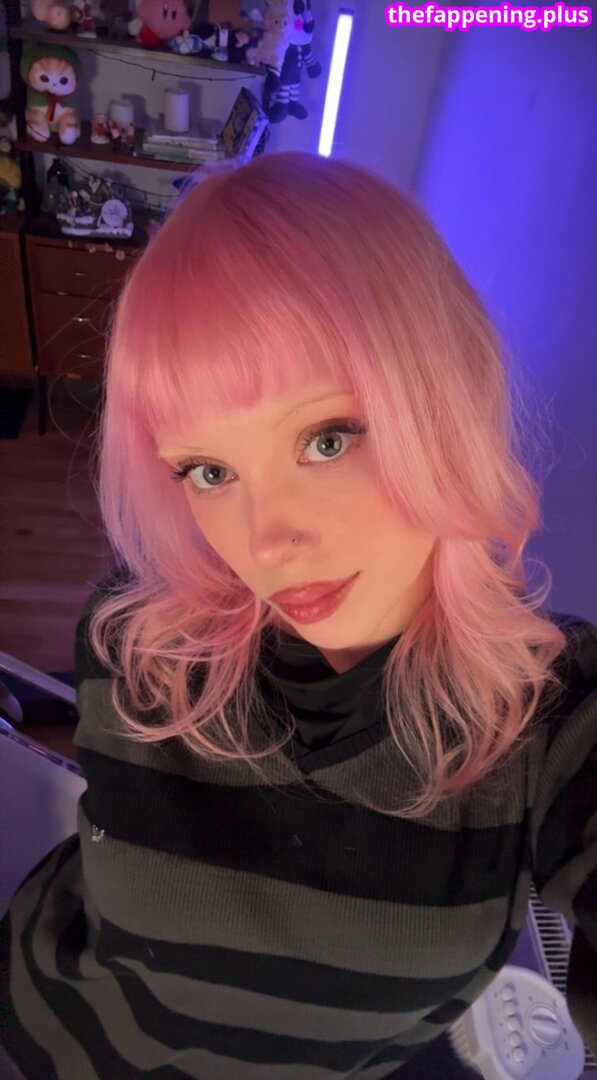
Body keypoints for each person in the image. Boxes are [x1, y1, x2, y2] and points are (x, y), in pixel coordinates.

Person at [1, 150, 596, 1079]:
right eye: (208, 471)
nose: (265, 542)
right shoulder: (139, 637)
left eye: (325, 440)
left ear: (442, 404)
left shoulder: (550, 718)